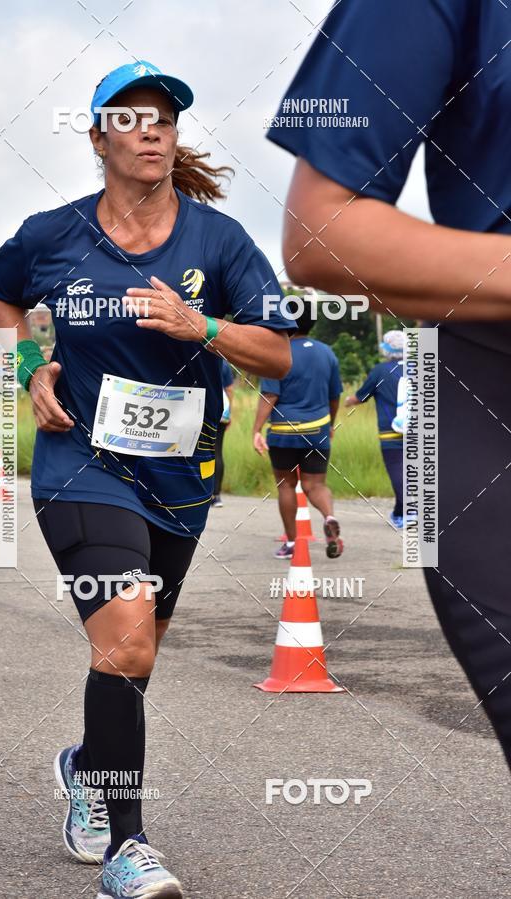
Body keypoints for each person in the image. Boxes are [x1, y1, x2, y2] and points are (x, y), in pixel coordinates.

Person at [0, 60, 292, 899]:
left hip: (181, 479)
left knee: (136, 652)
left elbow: (278, 353)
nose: (151, 128)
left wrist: (204, 325)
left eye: (164, 117)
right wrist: (29, 369)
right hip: (81, 464)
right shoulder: (50, 235)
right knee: (125, 639)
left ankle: (89, 766)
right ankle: (128, 844)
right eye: (129, 117)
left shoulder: (220, 241)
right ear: (98, 138)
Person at [266, 1, 511, 770]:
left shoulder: (314, 357)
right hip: (484, 389)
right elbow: (319, 232)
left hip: (339, 431)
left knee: (302, 488)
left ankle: (310, 530)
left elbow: (328, 389)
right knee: (317, 485)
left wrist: (267, 415)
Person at [252, 299, 343, 560]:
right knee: (316, 485)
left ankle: (292, 543)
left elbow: (270, 395)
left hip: (283, 431)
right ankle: (329, 517)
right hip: (317, 429)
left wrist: (256, 429)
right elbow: (334, 396)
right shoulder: (327, 352)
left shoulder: (276, 352)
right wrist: (330, 424)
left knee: (286, 486)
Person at [345, 330, 406, 528]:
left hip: (391, 431)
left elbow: (361, 396)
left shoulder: (380, 371)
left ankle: (407, 513)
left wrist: (348, 401)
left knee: (397, 470)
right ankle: (400, 512)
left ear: (387, 350)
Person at [210, 358, 235, 508]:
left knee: (201, 451)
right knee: (217, 451)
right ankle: (216, 495)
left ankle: (203, 493)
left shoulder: (200, 357)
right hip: (223, 410)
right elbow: (230, 389)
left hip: (204, 407)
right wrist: (229, 412)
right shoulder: (224, 363)